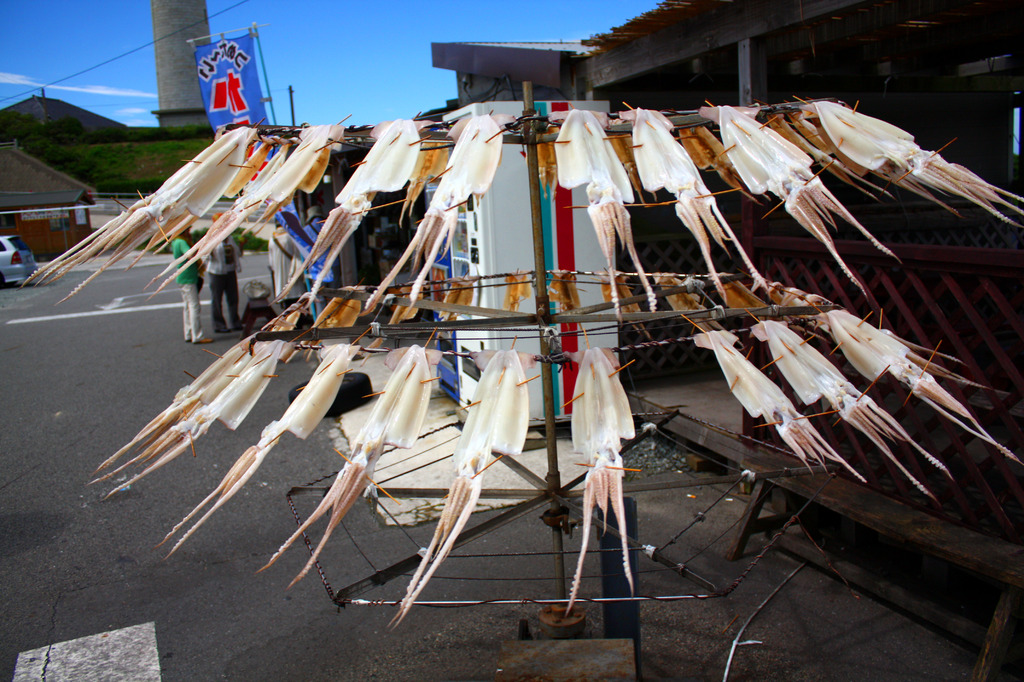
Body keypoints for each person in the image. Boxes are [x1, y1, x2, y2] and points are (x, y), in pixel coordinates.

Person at [171, 232, 212, 344]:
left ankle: (188, 333)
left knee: (187, 306)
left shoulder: (176, 241)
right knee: (194, 306)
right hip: (188, 277)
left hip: (183, 277)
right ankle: (197, 335)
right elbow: (189, 255)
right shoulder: (182, 242)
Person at [206, 233, 243, 333]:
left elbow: (238, 253)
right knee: (217, 299)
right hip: (216, 272)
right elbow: (205, 256)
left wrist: (242, 244)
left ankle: (235, 322)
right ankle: (218, 324)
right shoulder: (212, 238)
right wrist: (209, 251)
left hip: (230, 271)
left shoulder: (230, 238)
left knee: (233, 298)